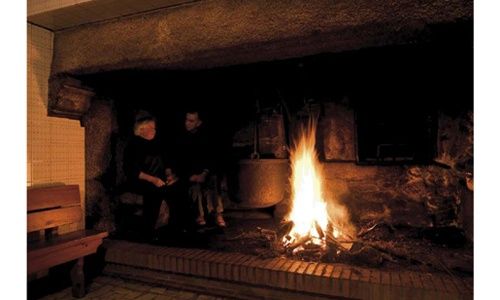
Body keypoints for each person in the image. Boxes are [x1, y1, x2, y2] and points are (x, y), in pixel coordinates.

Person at [123, 111, 188, 240]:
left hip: (160, 179)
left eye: (154, 127)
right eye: (151, 128)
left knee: (178, 190)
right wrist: (153, 180)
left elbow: (166, 162)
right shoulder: (133, 145)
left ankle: (177, 228)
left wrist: (169, 175)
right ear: (142, 129)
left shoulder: (157, 144)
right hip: (143, 180)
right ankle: (148, 231)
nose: (154, 130)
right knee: (154, 194)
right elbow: (132, 170)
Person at [174, 109, 226, 227]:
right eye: (186, 120)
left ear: (198, 123)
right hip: (188, 175)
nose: (187, 123)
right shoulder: (180, 139)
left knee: (213, 181)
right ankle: (199, 215)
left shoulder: (205, 138)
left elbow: (210, 158)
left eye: (191, 121)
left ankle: (217, 213)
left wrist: (204, 173)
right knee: (195, 188)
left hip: (203, 173)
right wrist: (190, 176)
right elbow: (178, 162)